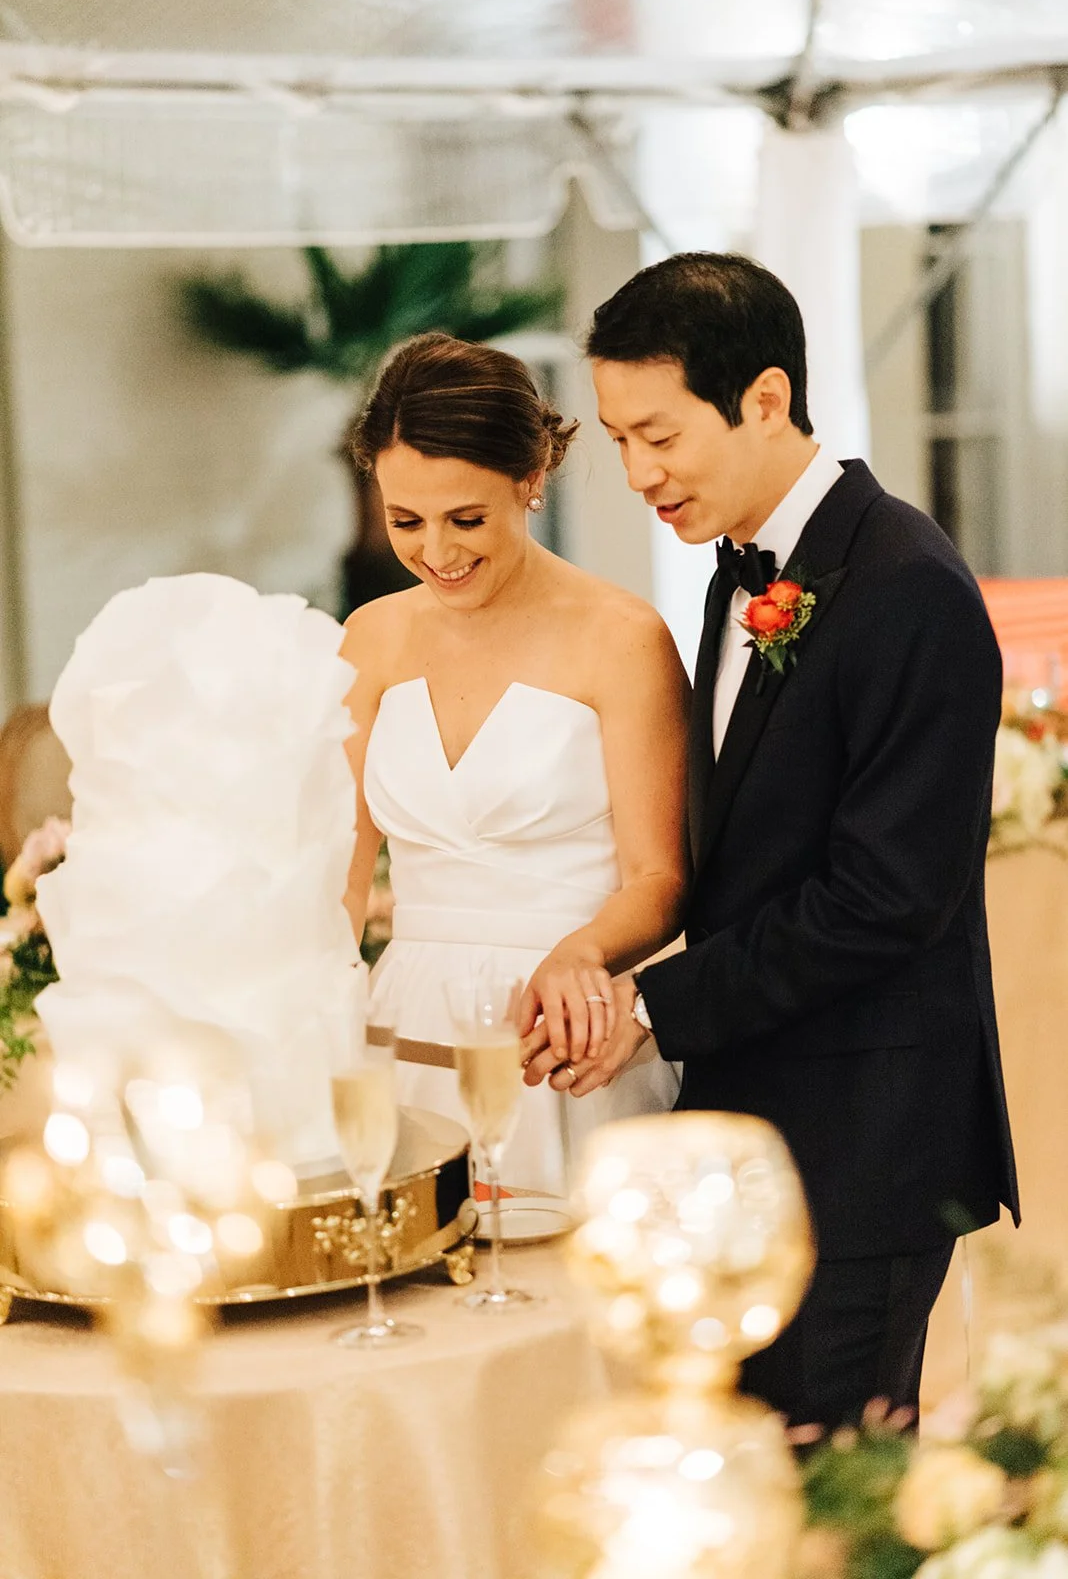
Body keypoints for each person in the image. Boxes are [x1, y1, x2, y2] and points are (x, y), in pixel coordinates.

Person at [523, 252, 1019, 1427]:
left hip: (868, 1146)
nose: (639, 472)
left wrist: (652, 1007)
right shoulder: (738, 574)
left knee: (829, 1491)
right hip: (759, 1126)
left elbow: (888, 897)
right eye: (618, 439)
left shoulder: (909, 584)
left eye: (660, 435)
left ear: (764, 398)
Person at [340, 332, 689, 1196]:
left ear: (531, 481)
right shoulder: (369, 638)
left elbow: (659, 877)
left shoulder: (623, 637)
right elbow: (337, 879)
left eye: (467, 519)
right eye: (405, 521)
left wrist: (581, 955)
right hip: (402, 1028)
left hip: (563, 1030)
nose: (438, 552)